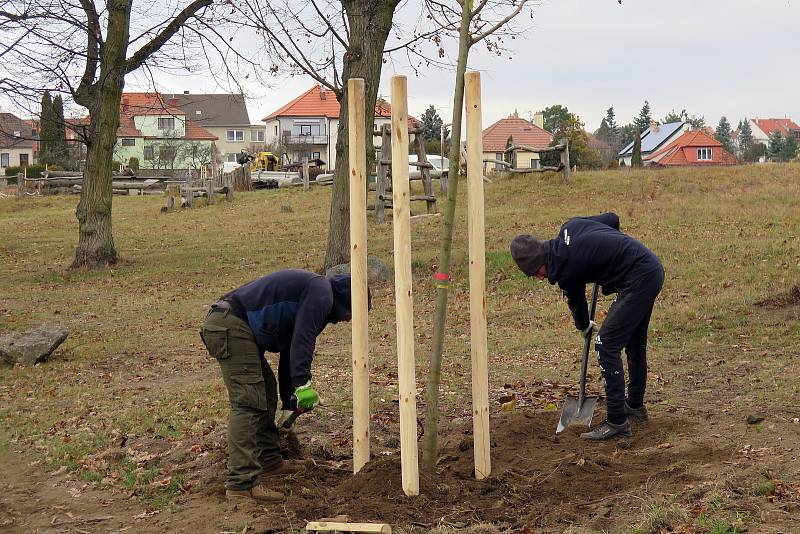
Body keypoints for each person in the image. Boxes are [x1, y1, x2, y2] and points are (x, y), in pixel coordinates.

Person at [200, 269, 354, 501]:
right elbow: (303, 340)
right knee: (249, 402)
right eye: (356, 311)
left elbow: (290, 351)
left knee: (266, 393)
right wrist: (303, 385)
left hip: (232, 324)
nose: (350, 319)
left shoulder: (316, 296)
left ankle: (270, 462)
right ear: (348, 299)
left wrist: (291, 399)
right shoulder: (322, 293)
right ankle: (241, 485)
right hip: (230, 324)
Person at [510, 213, 664, 440]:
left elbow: (577, 302)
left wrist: (583, 325)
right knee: (634, 343)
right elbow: (611, 219)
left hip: (638, 280)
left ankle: (617, 423)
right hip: (648, 269)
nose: (539, 278)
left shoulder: (566, 268)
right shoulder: (569, 227)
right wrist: (609, 254)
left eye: (536, 274)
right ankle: (634, 407)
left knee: (606, 344)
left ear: (541, 264)